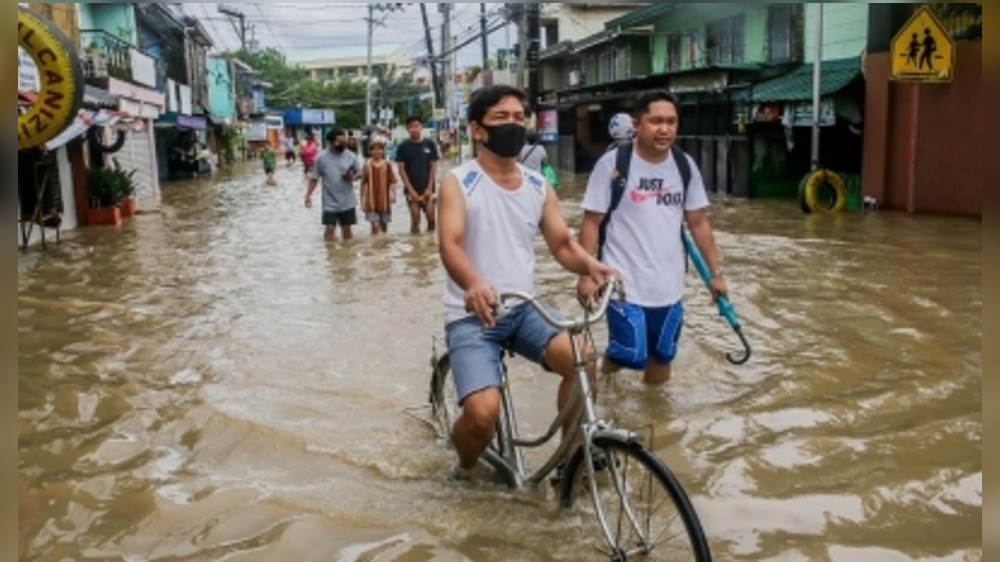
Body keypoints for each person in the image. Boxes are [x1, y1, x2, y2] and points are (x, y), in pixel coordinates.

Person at [438, 85, 618, 480]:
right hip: (472, 317)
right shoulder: (458, 181)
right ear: (477, 130)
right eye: (502, 118)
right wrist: (472, 282)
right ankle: (464, 467)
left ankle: (571, 460)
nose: (514, 125)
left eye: (520, 118)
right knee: (483, 414)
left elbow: (562, 244)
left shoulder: (538, 185)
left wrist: (591, 266)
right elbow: (449, 244)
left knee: (585, 358)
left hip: (524, 309)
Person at [577, 91, 728, 386]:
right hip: (621, 283)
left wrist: (716, 275)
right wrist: (585, 275)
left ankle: (657, 417)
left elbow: (698, 222)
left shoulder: (684, 166)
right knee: (628, 355)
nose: (665, 129)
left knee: (662, 356)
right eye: (656, 121)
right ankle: (606, 392)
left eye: (671, 122)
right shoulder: (612, 165)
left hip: (668, 286)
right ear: (637, 124)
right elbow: (591, 222)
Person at [305, 129, 361, 241]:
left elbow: (361, 173)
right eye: (339, 142)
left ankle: (347, 254)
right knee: (329, 230)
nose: (343, 145)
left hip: (347, 201)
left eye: (344, 142)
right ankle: (331, 256)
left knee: (347, 231)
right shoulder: (321, 158)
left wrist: (352, 177)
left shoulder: (351, 156)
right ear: (330, 142)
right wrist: (308, 195)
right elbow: (314, 178)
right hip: (329, 202)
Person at [395, 116, 439, 234]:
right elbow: (401, 170)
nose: (414, 129)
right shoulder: (402, 147)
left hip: (428, 188)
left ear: (421, 127)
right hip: (412, 189)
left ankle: (429, 247)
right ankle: (415, 247)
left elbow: (433, 166)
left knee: (431, 219)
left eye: (417, 126)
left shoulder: (430, 144)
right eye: (411, 127)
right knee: (415, 220)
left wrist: (430, 188)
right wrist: (410, 190)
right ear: (407, 129)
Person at [360, 136, 397, 236]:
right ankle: (375, 249)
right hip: (371, 202)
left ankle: (383, 249)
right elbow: (363, 183)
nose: (377, 151)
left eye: (379, 149)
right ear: (370, 151)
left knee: (384, 227)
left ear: (383, 151)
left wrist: (393, 194)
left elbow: (392, 181)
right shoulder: (367, 165)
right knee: (375, 227)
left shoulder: (387, 165)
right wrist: (362, 201)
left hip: (385, 202)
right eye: (374, 149)